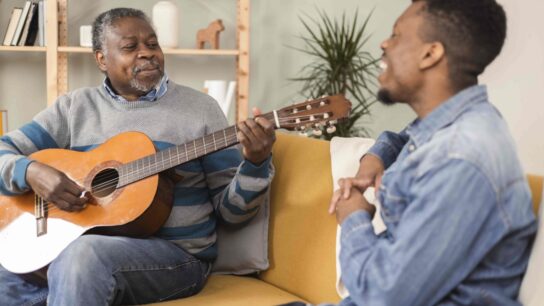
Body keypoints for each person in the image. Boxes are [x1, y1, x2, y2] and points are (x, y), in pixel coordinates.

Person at [0, 8, 275, 306]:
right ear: (101, 59)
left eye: (152, 44)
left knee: (84, 256)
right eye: (131, 47)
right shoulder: (74, 107)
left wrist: (256, 164)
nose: (147, 54)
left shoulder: (201, 110)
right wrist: (31, 172)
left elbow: (232, 214)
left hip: (177, 258)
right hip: (75, 248)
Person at [327, 0, 537, 305]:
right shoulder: (456, 125)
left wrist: (354, 216)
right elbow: (407, 137)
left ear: (431, 53)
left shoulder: (460, 159)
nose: (384, 44)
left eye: (396, 35)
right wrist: (375, 158)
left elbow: (383, 297)